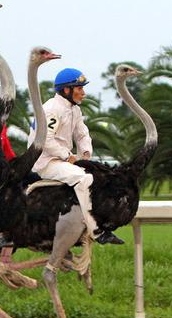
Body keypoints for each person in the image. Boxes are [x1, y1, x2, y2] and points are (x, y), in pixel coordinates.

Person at [29, 68, 124, 245]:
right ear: (67, 90)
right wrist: (68, 156)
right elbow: (44, 140)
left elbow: (82, 134)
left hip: (61, 160)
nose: (83, 93)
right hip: (45, 162)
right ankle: (96, 231)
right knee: (84, 179)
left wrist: (85, 154)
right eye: (79, 88)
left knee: (97, 176)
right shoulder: (51, 109)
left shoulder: (74, 110)